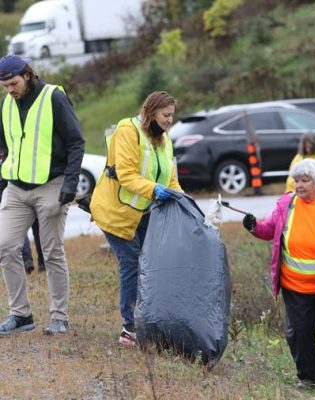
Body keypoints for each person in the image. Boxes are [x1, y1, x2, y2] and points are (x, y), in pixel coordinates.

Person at [243, 159, 315, 396]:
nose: (299, 185)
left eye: (305, 180)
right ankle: (308, 378)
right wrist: (254, 226)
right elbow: (270, 230)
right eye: (296, 180)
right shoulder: (287, 204)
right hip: (294, 289)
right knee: (299, 337)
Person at [90, 91, 183, 346]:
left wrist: (184, 201)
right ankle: (130, 328)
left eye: (172, 115)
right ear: (151, 112)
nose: (170, 120)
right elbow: (127, 174)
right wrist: (154, 189)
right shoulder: (127, 130)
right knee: (132, 263)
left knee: (148, 264)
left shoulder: (164, 139)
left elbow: (171, 178)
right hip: (116, 212)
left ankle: (146, 321)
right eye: (166, 115)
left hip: (143, 214)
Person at [0, 55, 84, 336]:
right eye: (4, 86)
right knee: (5, 246)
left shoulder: (54, 97)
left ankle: (59, 317)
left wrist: (69, 184)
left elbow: (76, 141)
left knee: (52, 252)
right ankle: (21, 315)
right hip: (16, 188)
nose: (10, 90)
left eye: (13, 83)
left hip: (52, 185)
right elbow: (6, 147)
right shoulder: (6, 105)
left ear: (26, 75)